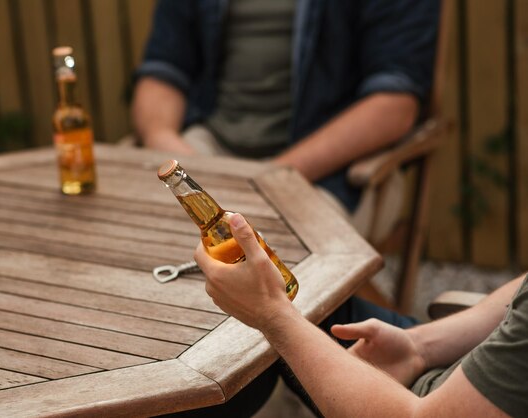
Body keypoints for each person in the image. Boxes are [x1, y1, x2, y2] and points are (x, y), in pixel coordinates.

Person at [132, 0, 440, 231]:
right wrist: (166, 142)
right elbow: (164, 69)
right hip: (210, 147)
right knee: (137, 227)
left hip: (326, 171)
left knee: (258, 266)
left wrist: (269, 179)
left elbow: (395, 103)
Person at [195, 212, 528, 417]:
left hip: (419, 403)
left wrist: (273, 316)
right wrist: (419, 346)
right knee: (324, 309)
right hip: (454, 370)